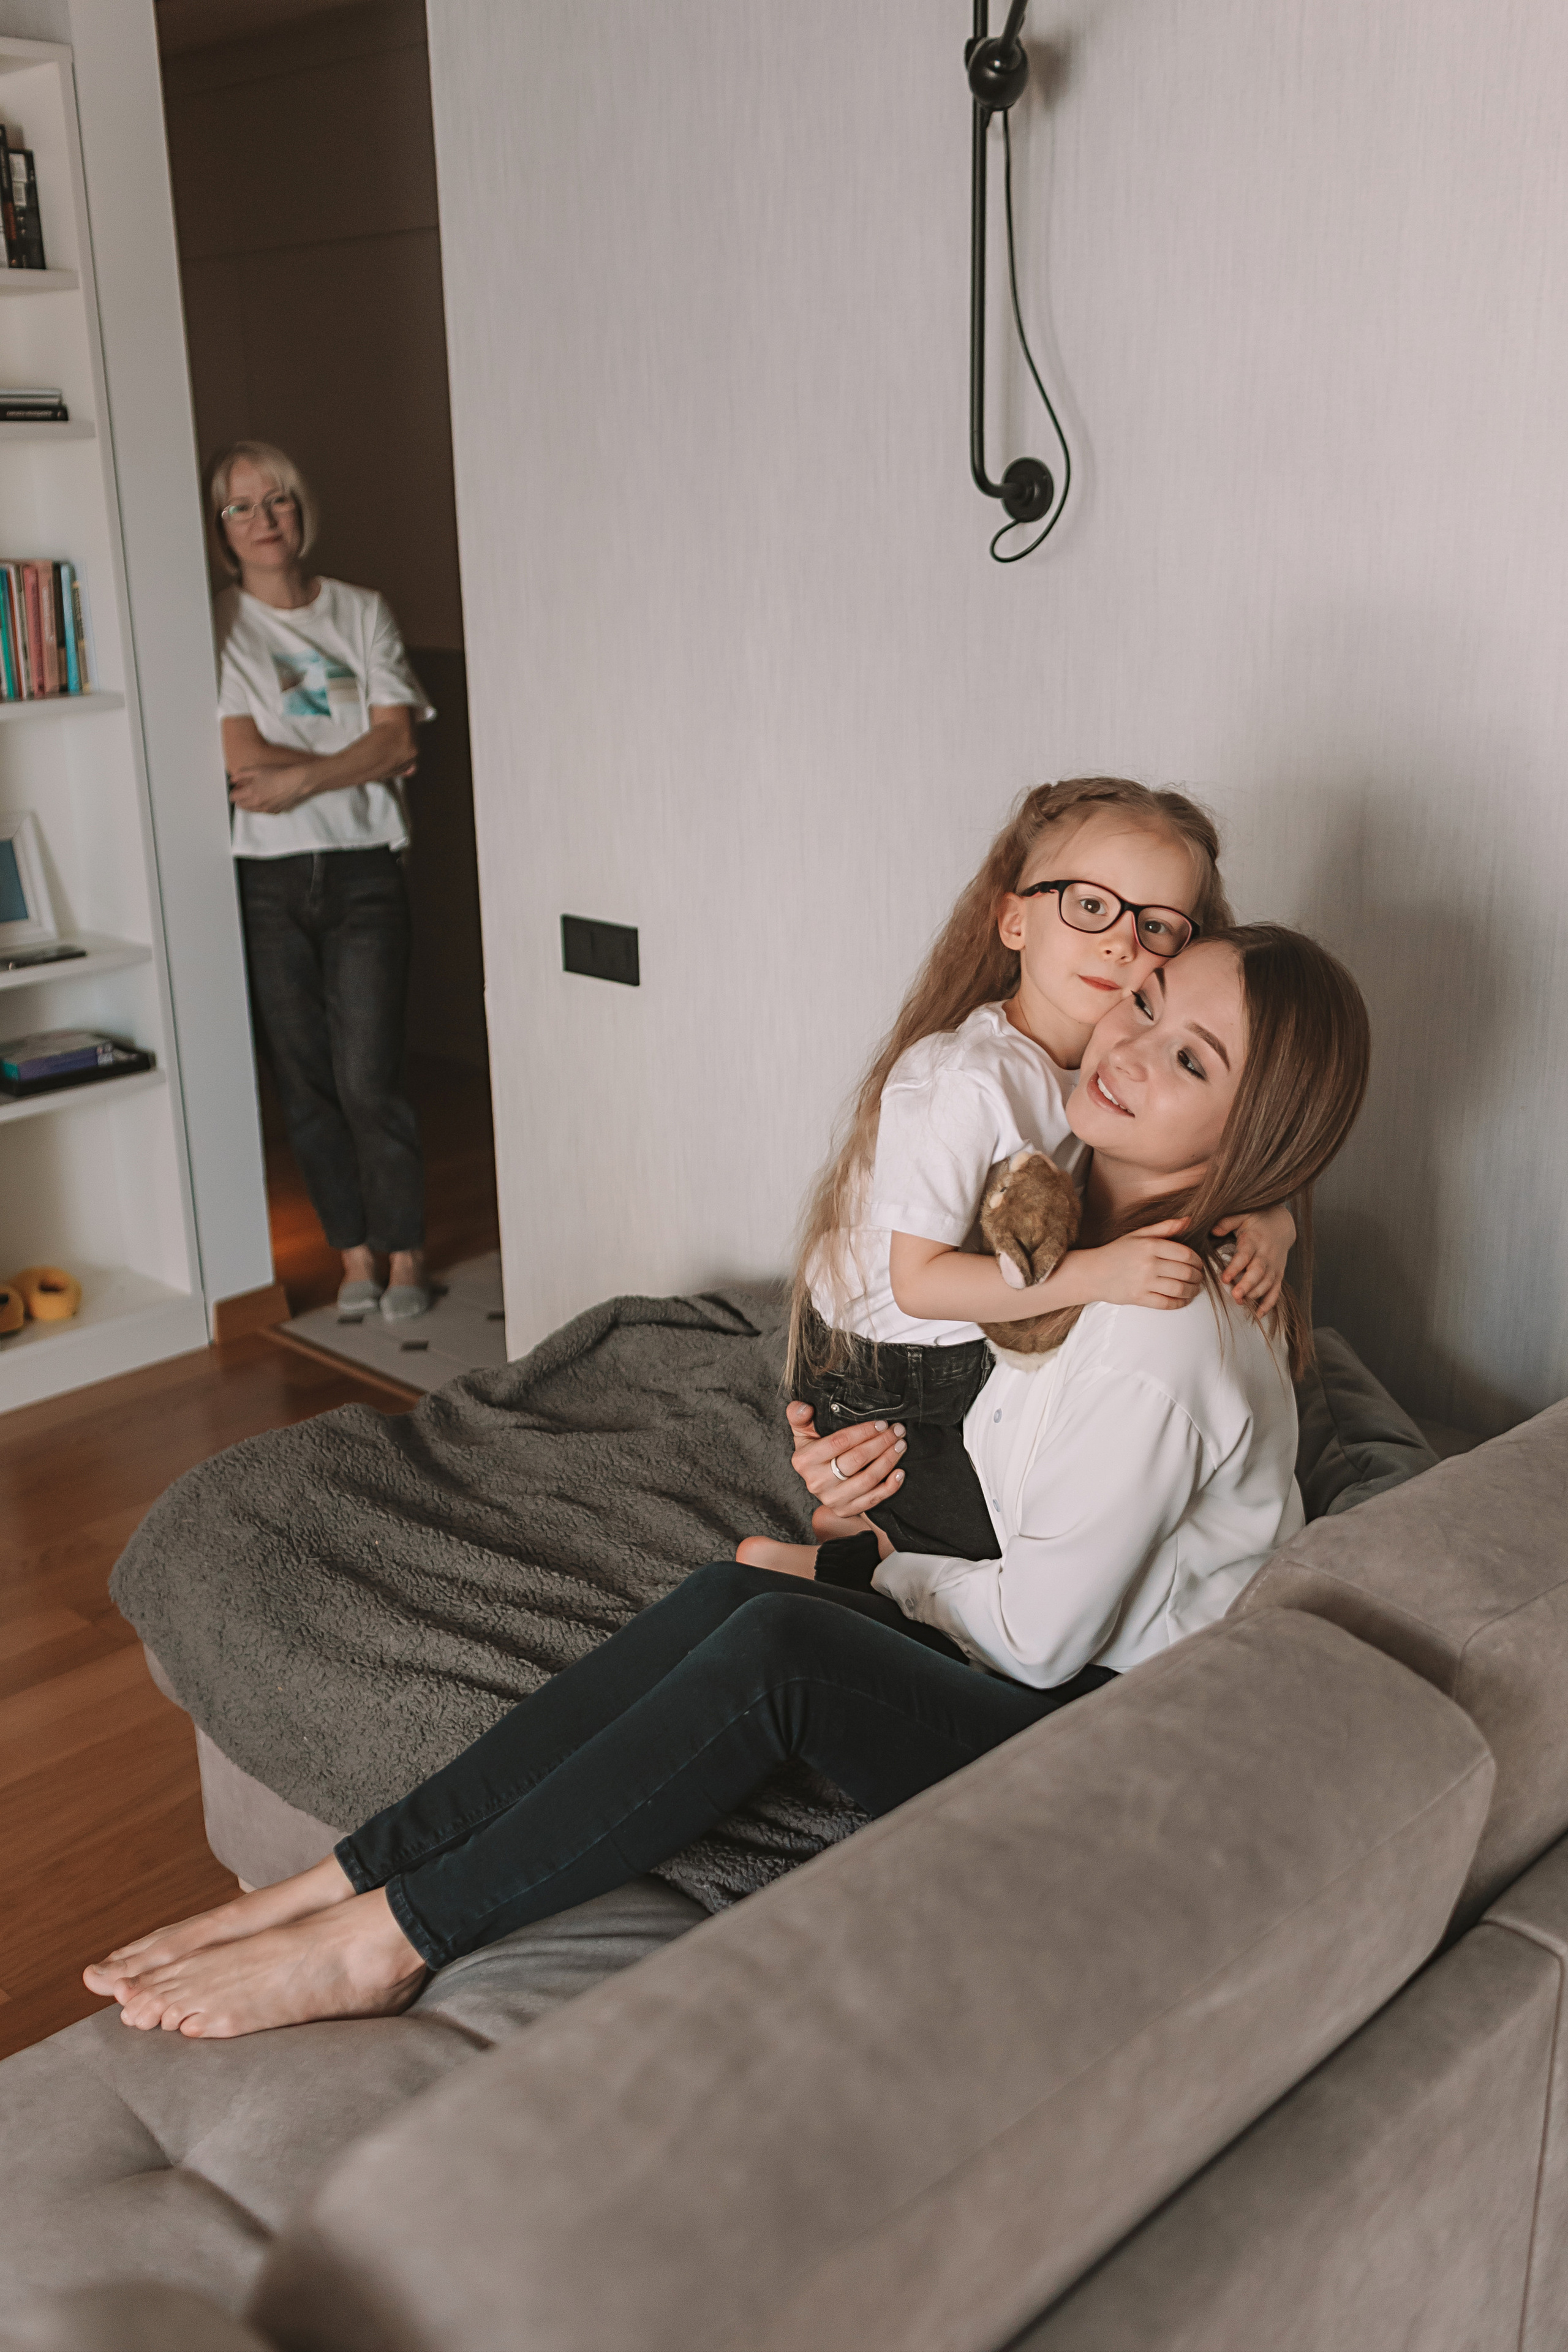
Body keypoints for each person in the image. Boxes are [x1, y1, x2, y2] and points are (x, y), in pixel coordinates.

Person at [83, 922, 1369, 2041]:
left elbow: (1040, 1644)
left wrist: (866, 1571)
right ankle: (350, 1875)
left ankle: (391, 1941)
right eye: (1144, 1001)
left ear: (1251, 1133)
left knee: (777, 1652)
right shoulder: (1071, 1212)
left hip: (1108, 1739)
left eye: (1192, 1060)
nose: (1130, 1046)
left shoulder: (1158, 1335)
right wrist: (858, 1523)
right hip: (1053, 1639)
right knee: (726, 1596)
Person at [786, 777, 1295, 1567]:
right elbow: (919, 1285)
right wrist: (1100, 1274)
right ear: (1014, 920)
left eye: (1157, 926)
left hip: (982, 1329)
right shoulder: (967, 1080)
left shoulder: (1113, 1060)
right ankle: (837, 1549)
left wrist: (1271, 1215)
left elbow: (1226, 1131)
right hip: (896, 1364)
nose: (1121, 945)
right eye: (1090, 906)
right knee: (1005, 1551)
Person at [210, 440, 435, 1321]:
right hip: (266, 880)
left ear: (301, 509)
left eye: (278, 500)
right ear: (222, 529)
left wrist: (299, 777)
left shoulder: (361, 611)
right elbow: (241, 758)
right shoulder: (216, 626)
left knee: (370, 1075)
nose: (263, 520)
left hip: (365, 865)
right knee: (305, 1082)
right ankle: (354, 1254)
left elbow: (401, 739)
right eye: (241, 507)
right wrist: (356, 757)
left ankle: (406, 1251)